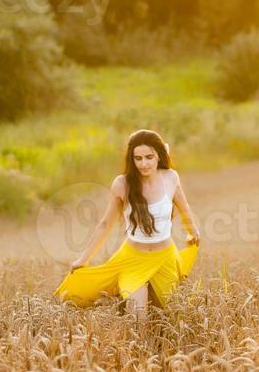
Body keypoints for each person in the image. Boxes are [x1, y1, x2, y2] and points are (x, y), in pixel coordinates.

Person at [54, 129, 201, 320]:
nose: (143, 163)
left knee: (172, 316)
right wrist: (83, 259)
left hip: (165, 257)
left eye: (149, 157)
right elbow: (105, 223)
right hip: (132, 260)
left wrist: (193, 231)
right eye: (137, 158)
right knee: (139, 319)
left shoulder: (171, 177)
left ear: (159, 155)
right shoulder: (122, 184)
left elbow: (184, 207)